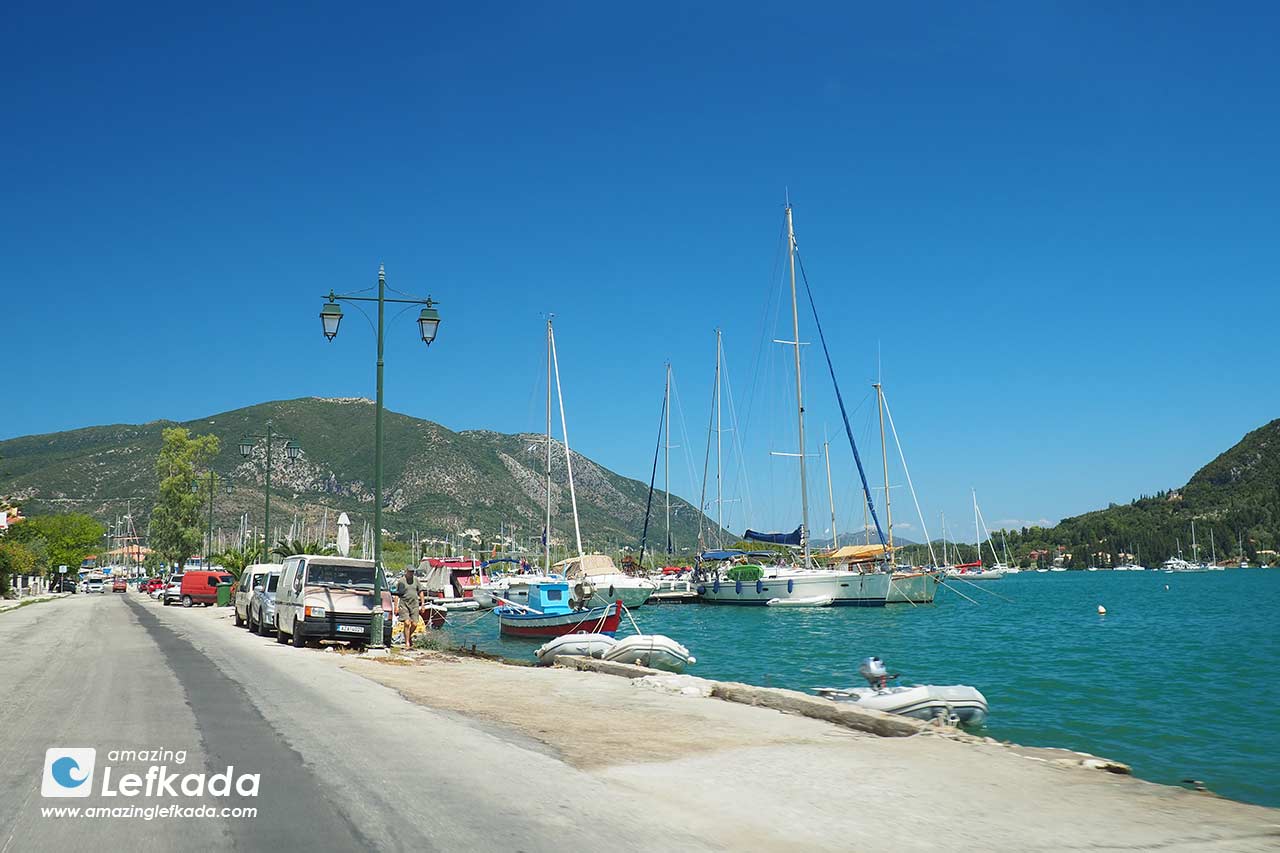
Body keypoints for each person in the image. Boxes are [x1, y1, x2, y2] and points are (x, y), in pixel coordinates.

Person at [394, 568, 422, 651]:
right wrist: (396, 606)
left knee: (415, 624)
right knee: (407, 622)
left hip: (414, 604)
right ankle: (407, 643)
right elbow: (396, 594)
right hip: (404, 603)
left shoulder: (416, 580)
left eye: (413, 572)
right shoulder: (401, 581)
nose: (411, 573)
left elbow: (420, 592)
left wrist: (423, 604)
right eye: (410, 571)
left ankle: (408, 636)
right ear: (406, 571)